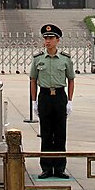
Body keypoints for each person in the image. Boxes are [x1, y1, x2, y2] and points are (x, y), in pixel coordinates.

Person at [30, 24, 75, 179]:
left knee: (60, 133)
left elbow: (71, 80)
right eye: (46, 38)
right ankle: (47, 167)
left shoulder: (65, 59)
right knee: (46, 133)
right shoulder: (38, 59)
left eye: (51, 38)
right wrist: (34, 101)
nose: (47, 41)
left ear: (57, 40)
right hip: (45, 97)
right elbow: (33, 80)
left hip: (60, 97)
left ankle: (60, 167)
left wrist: (69, 101)